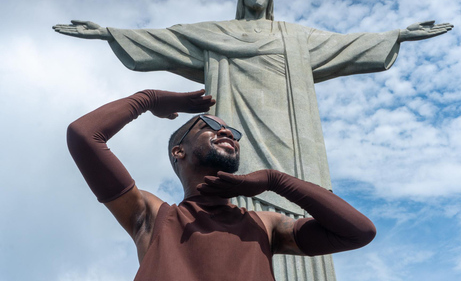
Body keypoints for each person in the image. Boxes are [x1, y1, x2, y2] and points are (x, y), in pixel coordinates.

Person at [53, 0, 453, 216]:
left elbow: (345, 45)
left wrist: (398, 34)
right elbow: (166, 40)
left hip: (291, 136)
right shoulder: (215, 34)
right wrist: (109, 32)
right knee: (236, 192)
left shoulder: (294, 37)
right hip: (233, 126)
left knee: (295, 201)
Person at [67, 88, 376, 280]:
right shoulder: (151, 215)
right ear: (179, 151)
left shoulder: (266, 226)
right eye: (211, 126)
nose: (228, 133)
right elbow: (85, 135)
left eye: (233, 133)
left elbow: (358, 232)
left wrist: (275, 180)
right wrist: (149, 99)